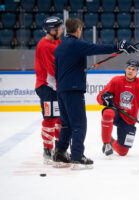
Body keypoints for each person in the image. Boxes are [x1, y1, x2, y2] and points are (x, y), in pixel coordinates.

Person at [53, 18, 138, 170]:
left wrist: (76, 71)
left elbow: (58, 70)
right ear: (78, 29)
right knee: (79, 124)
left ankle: (60, 152)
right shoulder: (77, 44)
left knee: (67, 125)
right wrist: (119, 46)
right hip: (74, 90)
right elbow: (96, 48)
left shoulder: (59, 47)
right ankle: (77, 157)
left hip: (61, 90)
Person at [96, 59, 139, 157]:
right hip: (116, 113)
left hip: (129, 119)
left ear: (137, 71)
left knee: (123, 152)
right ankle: (106, 144)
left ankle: (111, 141)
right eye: (129, 68)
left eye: (133, 69)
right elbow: (99, 97)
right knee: (108, 113)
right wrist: (104, 99)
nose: (130, 71)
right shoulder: (116, 81)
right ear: (125, 69)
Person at [34, 16, 63, 165]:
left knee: (59, 119)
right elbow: (52, 70)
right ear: (52, 30)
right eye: (59, 28)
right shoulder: (44, 45)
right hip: (47, 87)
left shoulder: (57, 41)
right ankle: (47, 149)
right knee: (50, 118)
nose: (62, 30)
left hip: (56, 86)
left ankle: (59, 149)